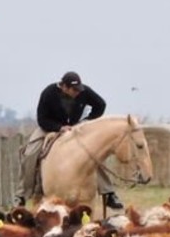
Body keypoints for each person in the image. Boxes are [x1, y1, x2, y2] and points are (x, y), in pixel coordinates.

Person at [17, 71, 123, 209]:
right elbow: (42, 119)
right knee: (30, 153)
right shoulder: (48, 93)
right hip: (49, 127)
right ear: (64, 87)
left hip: (74, 128)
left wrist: (86, 122)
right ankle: (21, 195)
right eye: (74, 90)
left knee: (92, 153)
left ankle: (109, 193)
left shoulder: (83, 92)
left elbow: (100, 105)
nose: (77, 92)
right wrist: (59, 127)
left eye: (79, 89)